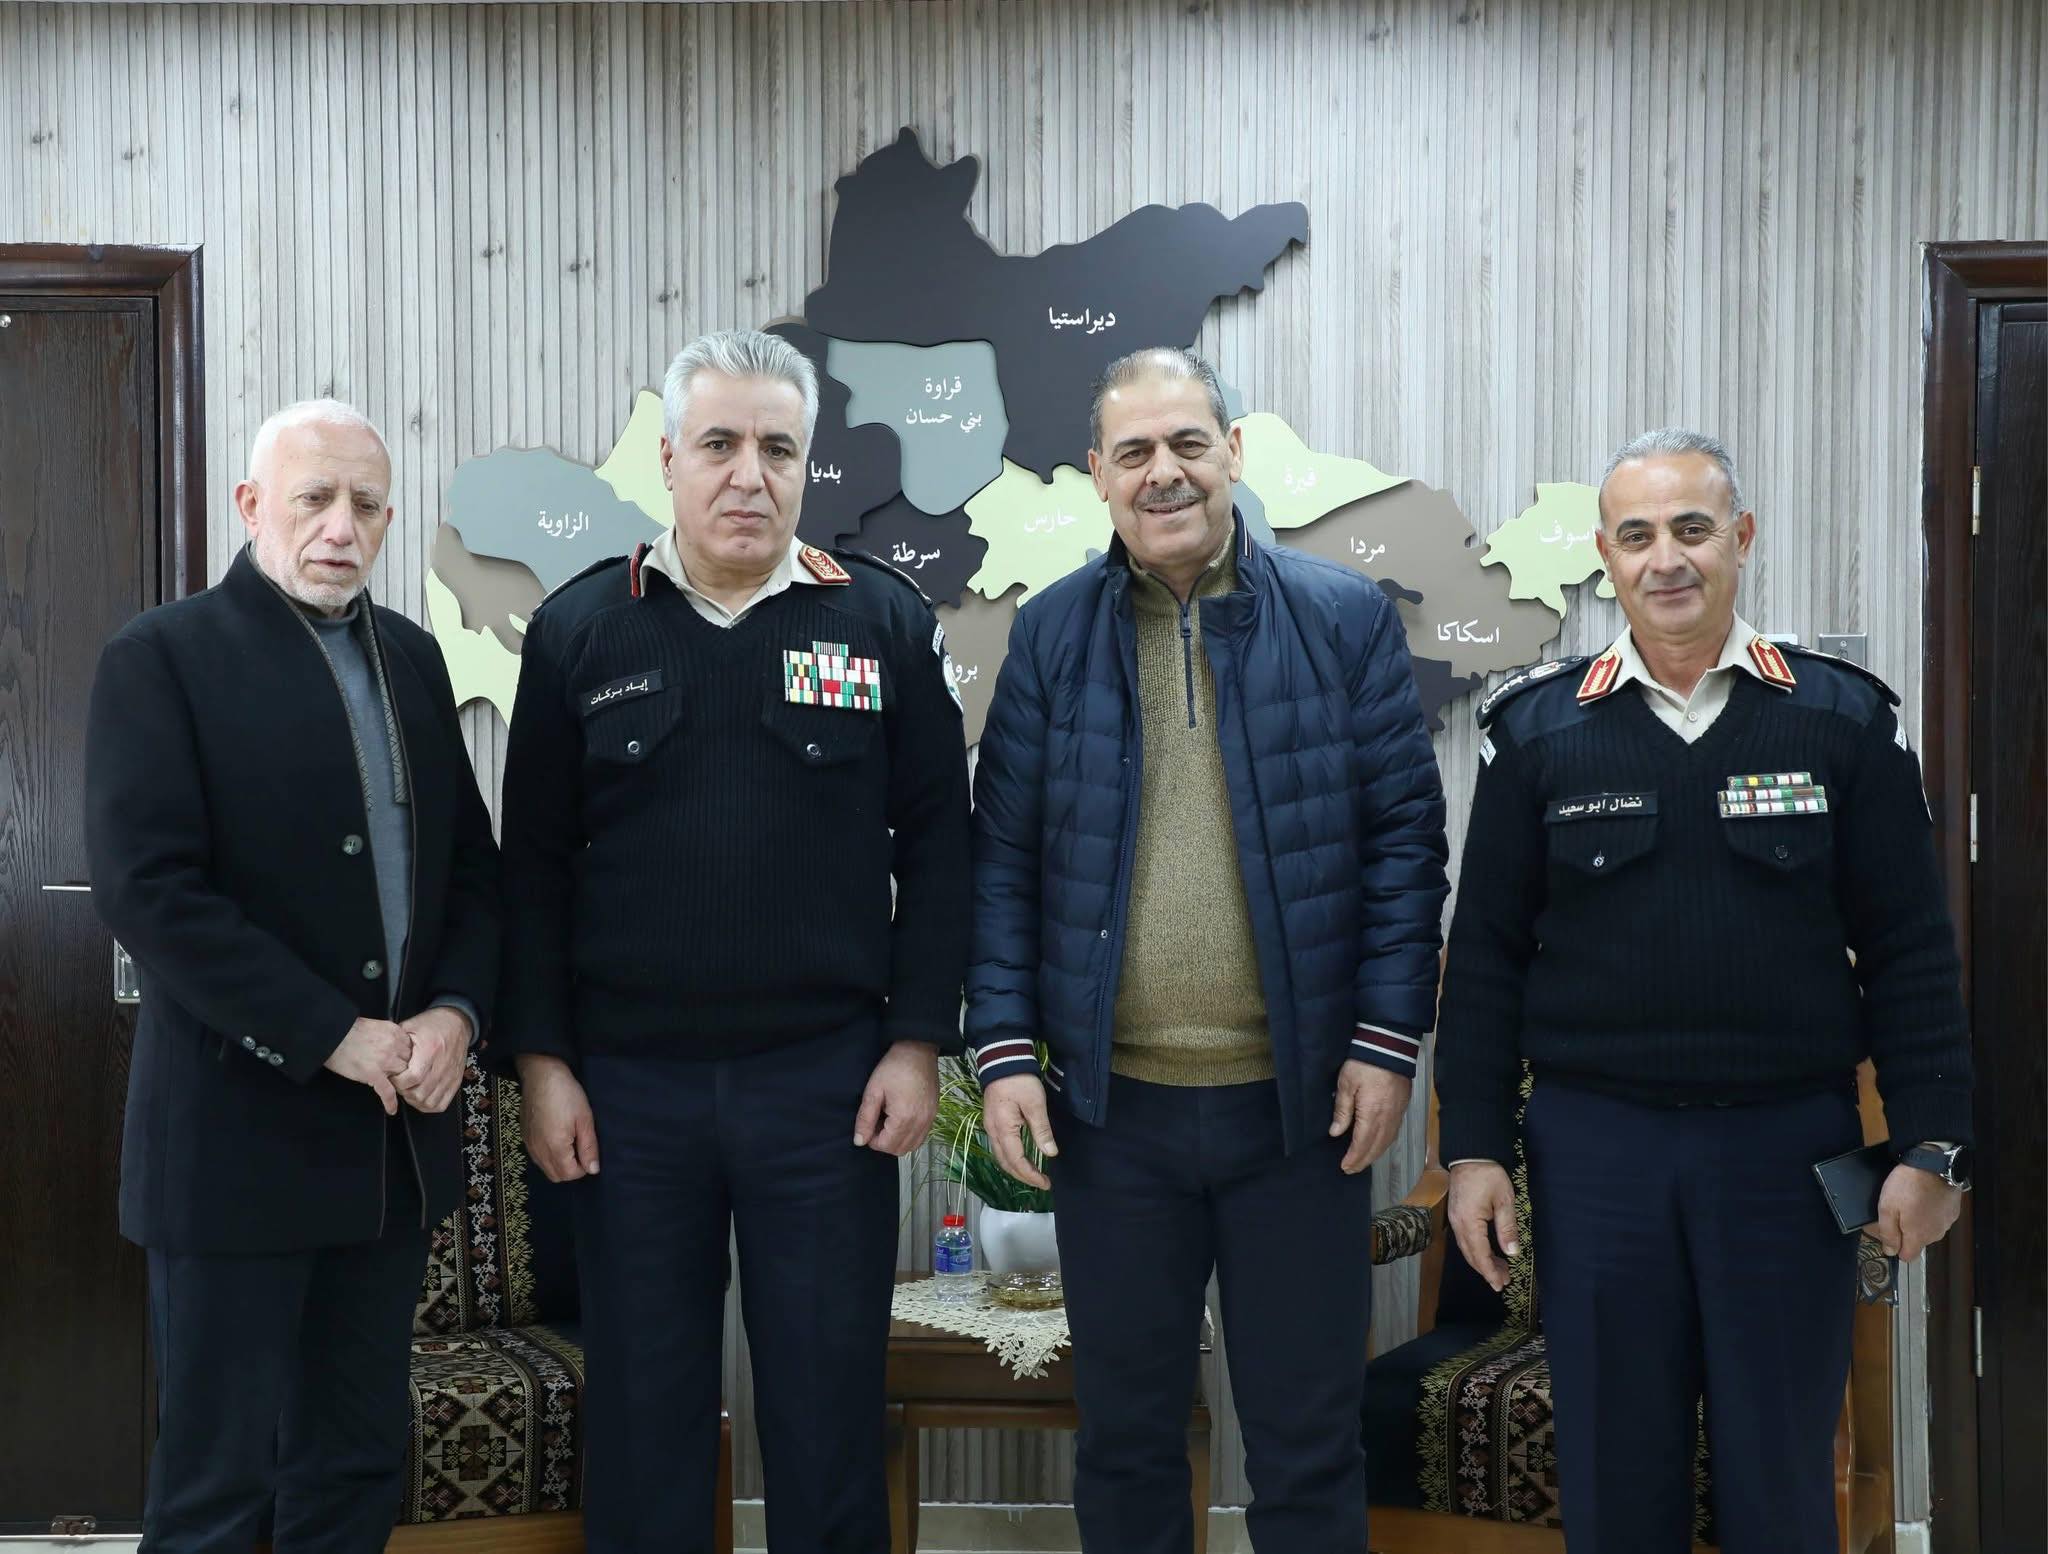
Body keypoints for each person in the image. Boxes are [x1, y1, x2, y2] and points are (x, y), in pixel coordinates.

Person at [1435, 428, 1974, 1553]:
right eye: (1636, 536)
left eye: (1691, 529)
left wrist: (1932, 1148)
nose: (1665, 559)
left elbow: (1911, 951)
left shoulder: (1840, 719)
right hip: (1595, 1153)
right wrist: (1476, 1148)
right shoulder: (1535, 730)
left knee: (1779, 1469)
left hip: (1785, 1151)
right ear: (1605, 556)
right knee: (1613, 1470)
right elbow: (1483, 958)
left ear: (1741, 538)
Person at [965, 346, 1450, 1553]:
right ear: (1096, 473)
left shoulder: (1340, 619)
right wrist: (1005, 1050)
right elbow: (1002, 858)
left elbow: (1403, 840)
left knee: (1305, 1440)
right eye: (1133, 451)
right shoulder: (1050, 634)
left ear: (1231, 452)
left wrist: (1385, 1042)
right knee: (1126, 1439)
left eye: (1187, 443)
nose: (1163, 472)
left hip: (1300, 1114)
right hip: (1111, 1117)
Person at [495, 328, 971, 1553]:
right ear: (668, 460)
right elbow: (530, 869)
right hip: (627, 1093)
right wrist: (542, 1064)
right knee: (644, 1416)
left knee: (826, 1410)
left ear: (806, 464)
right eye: (718, 444)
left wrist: (916, 1042)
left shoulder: (878, 621)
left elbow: (938, 846)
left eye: (776, 448)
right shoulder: (581, 627)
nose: (747, 475)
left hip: (825, 1088)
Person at [84, 400, 501, 1553]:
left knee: (354, 1463)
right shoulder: (160, 657)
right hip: (232, 1151)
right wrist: (334, 1032)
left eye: (366, 504)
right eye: (313, 499)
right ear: (251, 505)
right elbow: (148, 891)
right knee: (219, 1487)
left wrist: (458, 1014)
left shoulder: (413, 657)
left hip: (389, 1155)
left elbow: (474, 875)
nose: (340, 527)